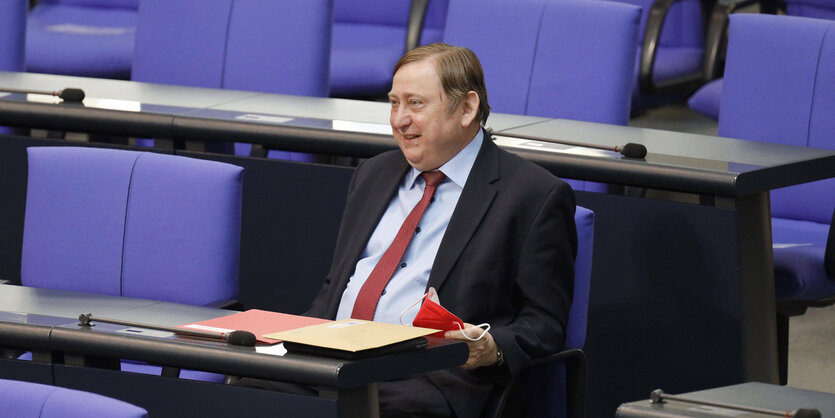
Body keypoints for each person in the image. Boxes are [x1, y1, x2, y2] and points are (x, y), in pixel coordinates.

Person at [305, 43, 578, 418]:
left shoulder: (533, 195)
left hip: (428, 377)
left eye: (415, 104)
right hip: (332, 358)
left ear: (466, 108)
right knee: (251, 387)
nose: (400, 120)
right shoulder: (372, 174)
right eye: (394, 103)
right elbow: (336, 285)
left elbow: (544, 322)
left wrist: (491, 346)